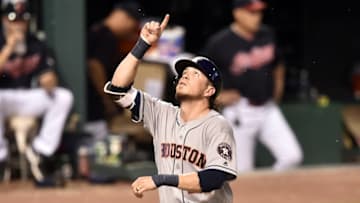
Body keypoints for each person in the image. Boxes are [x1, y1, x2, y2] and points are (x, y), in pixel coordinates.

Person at [104, 15, 237, 202]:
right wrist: (142, 44)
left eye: (195, 74)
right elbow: (118, 89)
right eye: (183, 73)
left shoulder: (217, 125)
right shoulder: (161, 113)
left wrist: (161, 180)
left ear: (209, 90)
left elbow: (214, 178)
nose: (185, 76)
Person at [202, 0, 303, 172]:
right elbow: (198, 74)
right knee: (242, 171)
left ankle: (268, 193)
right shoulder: (220, 42)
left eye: (259, 12)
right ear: (237, 13)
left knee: (292, 157)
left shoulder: (267, 34)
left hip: (267, 109)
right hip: (240, 111)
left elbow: (278, 64)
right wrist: (217, 96)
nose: (257, 17)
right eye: (251, 12)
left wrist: (277, 88)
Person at [0, 0, 73, 185]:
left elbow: (48, 74)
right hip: (4, 98)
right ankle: (0, 157)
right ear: (4, 20)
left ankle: (42, 151)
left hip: (29, 97)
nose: (17, 24)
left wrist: (48, 80)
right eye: (13, 20)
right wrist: (8, 48)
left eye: (22, 20)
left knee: (63, 97)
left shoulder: (36, 43)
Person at [85, 1, 142, 140]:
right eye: (132, 26)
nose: (130, 31)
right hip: (93, 105)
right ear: (125, 18)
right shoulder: (106, 36)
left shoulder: (97, 29)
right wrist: (106, 100)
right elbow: (94, 66)